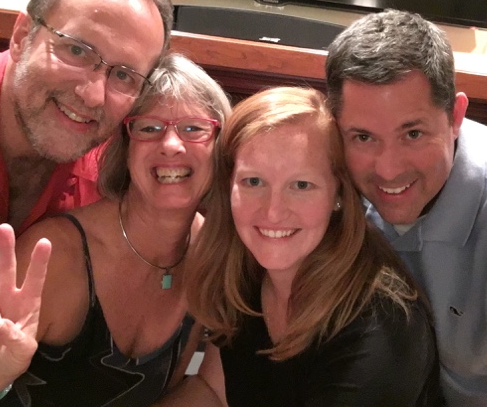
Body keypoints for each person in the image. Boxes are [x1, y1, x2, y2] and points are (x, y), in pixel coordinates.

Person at [325, 9, 487, 406]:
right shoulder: (327, 179)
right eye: (363, 137)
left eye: (413, 133)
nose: (388, 169)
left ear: (455, 117)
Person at [0, 53, 232, 406]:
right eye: (148, 128)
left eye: (194, 128)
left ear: (220, 148)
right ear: (125, 149)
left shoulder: (214, 256)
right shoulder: (54, 255)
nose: (172, 145)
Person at [166, 87, 442, 406]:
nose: (273, 212)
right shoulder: (244, 271)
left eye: (301, 185)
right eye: (253, 181)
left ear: (339, 194)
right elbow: (213, 389)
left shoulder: (380, 329)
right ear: (228, 186)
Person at [0, 0, 173, 326]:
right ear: (22, 36)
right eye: (76, 50)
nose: (93, 95)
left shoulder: (114, 173)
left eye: (124, 75)